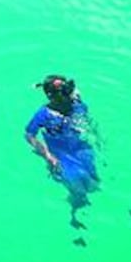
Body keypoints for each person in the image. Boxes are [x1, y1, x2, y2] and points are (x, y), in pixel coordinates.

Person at [25, 74, 99, 236]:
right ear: (51, 96)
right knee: (77, 189)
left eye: (68, 92)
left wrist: (97, 139)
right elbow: (29, 135)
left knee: (93, 184)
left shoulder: (78, 105)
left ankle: (86, 212)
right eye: (62, 94)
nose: (67, 97)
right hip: (59, 153)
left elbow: (90, 122)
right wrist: (47, 155)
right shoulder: (43, 114)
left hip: (80, 148)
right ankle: (74, 215)